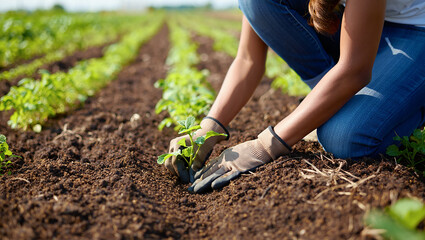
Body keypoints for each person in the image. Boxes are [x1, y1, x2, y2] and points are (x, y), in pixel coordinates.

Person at [165, 0, 425, 193]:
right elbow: (247, 59)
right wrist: (209, 128)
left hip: (415, 29)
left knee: (346, 138)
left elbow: (354, 70)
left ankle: (414, 102)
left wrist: (266, 145)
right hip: (361, 22)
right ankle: (331, 102)